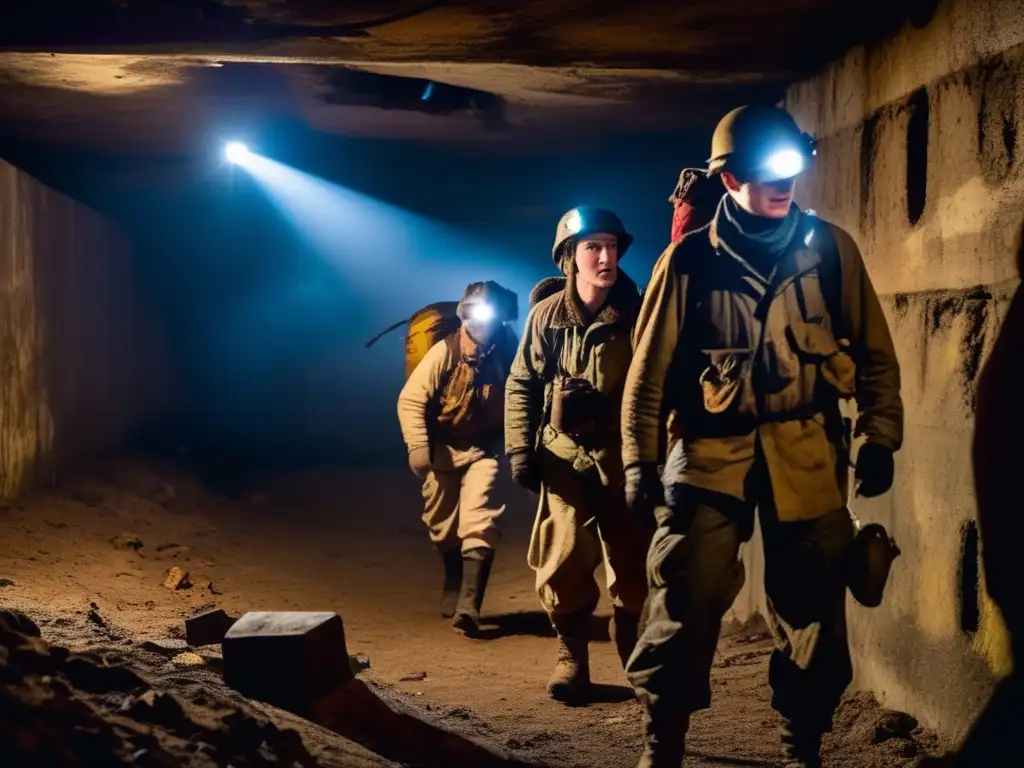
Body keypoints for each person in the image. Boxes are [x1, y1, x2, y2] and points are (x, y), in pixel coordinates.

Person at [620, 105, 904, 767]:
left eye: (792, 168)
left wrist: (880, 436)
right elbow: (647, 376)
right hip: (709, 458)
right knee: (684, 596)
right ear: (730, 180)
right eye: (767, 171)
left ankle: (799, 744)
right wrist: (639, 462)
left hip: (804, 454)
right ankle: (664, 742)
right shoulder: (688, 261)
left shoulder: (830, 251)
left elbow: (875, 354)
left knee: (813, 613)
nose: (784, 183)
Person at [505, 206, 652, 704]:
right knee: (563, 557)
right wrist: (520, 450)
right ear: (570, 257)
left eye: (612, 247)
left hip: (623, 454)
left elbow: (659, 384)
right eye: (593, 248)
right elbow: (522, 382)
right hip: (564, 458)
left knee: (633, 563)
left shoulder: (639, 312)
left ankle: (635, 653)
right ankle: (572, 658)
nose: (605, 257)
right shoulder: (547, 316)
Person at [397, 280, 519, 637]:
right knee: (442, 526)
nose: (479, 323)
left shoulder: (509, 349)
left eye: (487, 316)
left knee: (479, 518)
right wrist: (418, 446)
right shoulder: (444, 352)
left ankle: (469, 606)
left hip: (485, 448)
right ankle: (453, 575)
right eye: (472, 314)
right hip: (443, 448)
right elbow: (411, 399)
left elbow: (525, 392)